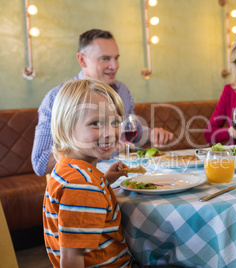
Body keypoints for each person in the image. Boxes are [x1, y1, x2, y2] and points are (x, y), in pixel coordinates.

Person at [32, 29, 173, 176]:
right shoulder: (56, 98)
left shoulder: (121, 90)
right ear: (82, 60)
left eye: (116, 58)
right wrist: (92, 146)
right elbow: (40, 164)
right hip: (80, 182)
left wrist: (151, 135)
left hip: (117, 176)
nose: (114, 65)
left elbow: (133, 134)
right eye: (105, 59)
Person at [43, 78, 132, 267]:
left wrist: (105, 179)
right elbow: (72, 258)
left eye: (115, 122)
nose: (109, 132)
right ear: (65, 129)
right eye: (96, 124)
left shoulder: (71, 170)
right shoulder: (81, 185)